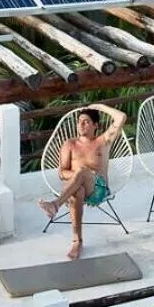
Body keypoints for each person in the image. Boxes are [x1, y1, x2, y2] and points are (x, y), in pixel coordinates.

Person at [38, 103, 127, 260]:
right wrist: (78, 177)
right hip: (75, 186)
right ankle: (76, 241)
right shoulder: (70, 145)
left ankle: (55, 205)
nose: (81, 124)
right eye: (79, 121)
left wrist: (99, 106)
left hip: (98, 189)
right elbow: (61, 172)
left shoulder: (102, 141)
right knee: (77, 190)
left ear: (95, 125)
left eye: (86, 121)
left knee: (82, 172)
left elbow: (121, 117)